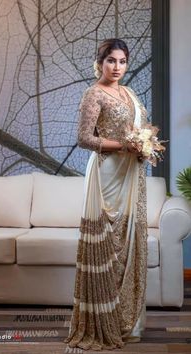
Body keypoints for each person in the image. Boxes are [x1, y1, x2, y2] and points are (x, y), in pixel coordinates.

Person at [63, 38, 148, 351]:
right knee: (108, 243)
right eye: (111, 61)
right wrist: (126, 146)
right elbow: (84, 138)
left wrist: (144, 144)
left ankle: (128, 322)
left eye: (122, 61)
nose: (117, 67)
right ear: (100, 63)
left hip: (132, 172)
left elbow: (141, 130)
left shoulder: (128, 93)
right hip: (107, 174)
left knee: (128, 243)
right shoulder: (93, 93)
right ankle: (103, 321)